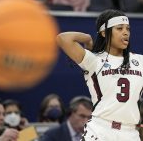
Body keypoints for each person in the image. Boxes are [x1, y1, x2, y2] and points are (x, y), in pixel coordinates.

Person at [56, 9, 142, 140]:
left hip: (130, 132)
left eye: (128, 29)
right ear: (104, 32)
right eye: (119, 28)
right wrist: (88, 38)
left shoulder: (140, 61)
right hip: (100, 130)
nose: (126, 32)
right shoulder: (93, 60)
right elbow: (63, 38)